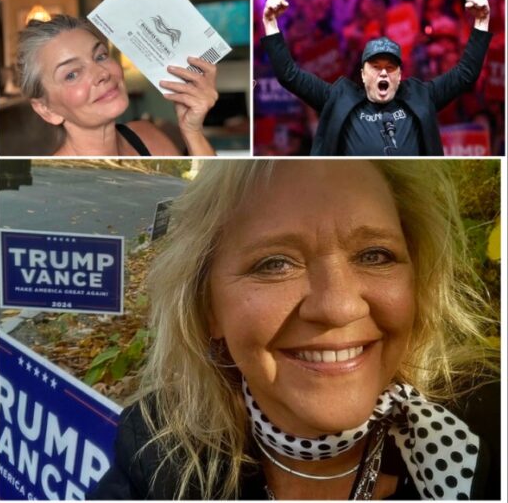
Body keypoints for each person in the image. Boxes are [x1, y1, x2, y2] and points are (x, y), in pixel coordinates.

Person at [91, 160, 500, 499]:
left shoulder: (491, 429)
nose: (339, 307)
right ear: (207, 308)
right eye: (275, 264)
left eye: (374, 255)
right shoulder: (159, 445)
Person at [261, 0, 493, 156]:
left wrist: (481, 23)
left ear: (400, 75)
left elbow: (466, 74)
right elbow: (288, 75)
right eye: (375, 66)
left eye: (390, 67)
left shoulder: (422, 95)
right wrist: (271, 24)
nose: (383, 72)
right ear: (362, 75)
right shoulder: (338, 97)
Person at [18, 15, 218, 156]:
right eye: (71, 74)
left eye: (101, 56)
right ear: (46, 109)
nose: (102, 73)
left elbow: (212, 204)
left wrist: (192, 131)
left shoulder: (149, 137)